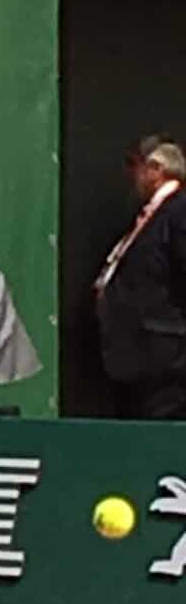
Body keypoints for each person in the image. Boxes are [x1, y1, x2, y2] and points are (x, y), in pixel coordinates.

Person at [94, 135, 186, 420]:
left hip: (165, 361)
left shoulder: (179, 211)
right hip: (137, 358)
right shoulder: (151, 215)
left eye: (136, 166)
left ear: (156, 169)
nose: (132, 176)